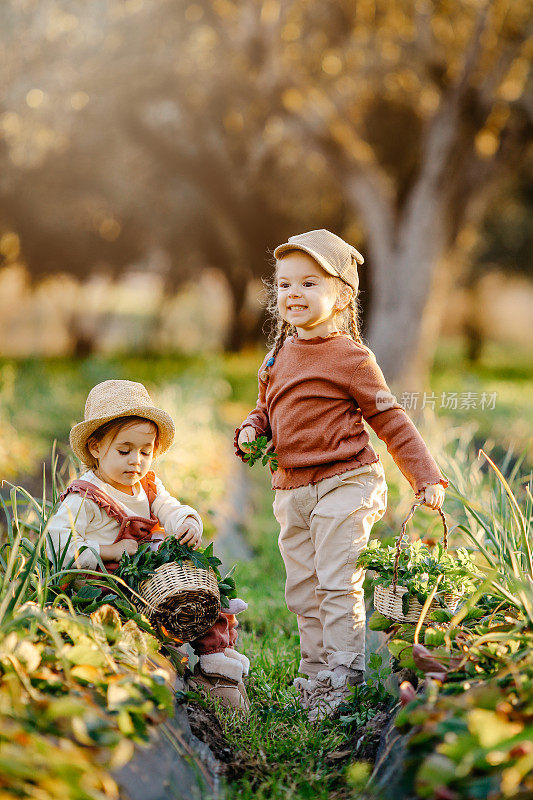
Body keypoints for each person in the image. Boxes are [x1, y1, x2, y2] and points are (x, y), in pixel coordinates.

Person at [234, 229, 447, 721]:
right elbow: (264, 410)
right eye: (285, 285)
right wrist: (250, 430)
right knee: (302, 588)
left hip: (346, 482)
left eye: (310, 284)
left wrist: (425, 476)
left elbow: (390, 419)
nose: (294, 294)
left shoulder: (352, 358)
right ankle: (315, 674)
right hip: (292, 488)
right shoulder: (277, 357)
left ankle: (344, 680)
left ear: (343, 295)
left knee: (335, 583)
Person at [47, 379, 250, 711]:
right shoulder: (86, 496)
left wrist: (186, 522)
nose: (136, 462)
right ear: (96, 448)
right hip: (108, 584)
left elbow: (170, 507)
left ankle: (217, 664)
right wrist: (108, 551)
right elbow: (58, 543)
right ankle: (150, 656)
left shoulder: (147, 487)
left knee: (197, 589)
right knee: (138, 617)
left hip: (148, 578)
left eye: (146, 451)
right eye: (124, 451)